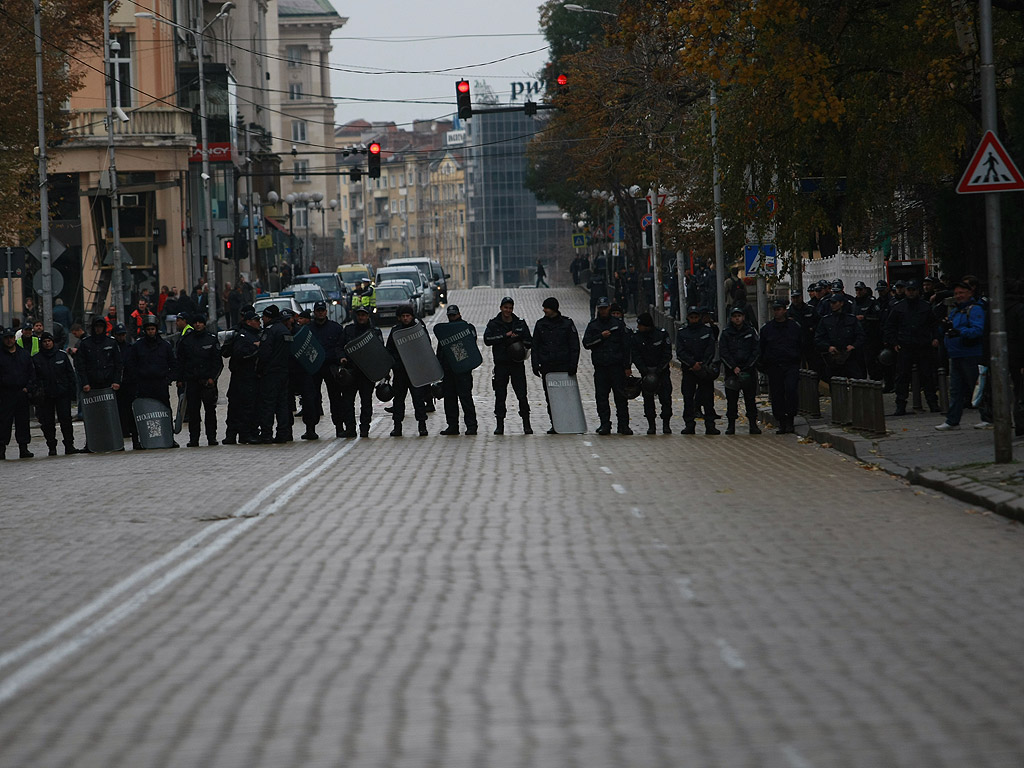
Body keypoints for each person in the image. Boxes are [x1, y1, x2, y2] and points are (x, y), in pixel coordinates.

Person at [884, 279, 941, 416]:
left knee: (927, 376)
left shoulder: (925, 307)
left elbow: (934, 324)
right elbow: (889, 326)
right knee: (902, 377)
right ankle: (900, 405)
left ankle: (932, 403)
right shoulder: (899, 307)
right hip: (906, 346)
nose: (911, 293)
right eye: (909, 290)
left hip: (923, 346)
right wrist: (894, 343)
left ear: (917, 291)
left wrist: (935, 338)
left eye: (913, 290)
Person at [935, 281, 986, 431]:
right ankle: (952, 420)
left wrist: (960, 332)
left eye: (961, 293)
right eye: (956, 293)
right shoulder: (956, 311)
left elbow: (978, 330)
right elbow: (949, 328)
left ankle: (987, 416)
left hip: (971, 354)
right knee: (955, 390)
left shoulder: (975, 309)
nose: (958, 296)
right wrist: (944, 328)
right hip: (956, 354)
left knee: (977, 388)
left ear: (969, 293)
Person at [483, 296, 533, 435]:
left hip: (517, 364)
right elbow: (487, 340)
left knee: (522, 395)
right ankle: (500, 425)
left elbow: (530, 341)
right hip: (501, 365)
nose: (508, 310)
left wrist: (518, 339)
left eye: (510, 308)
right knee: (500, 395)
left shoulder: (520, 323)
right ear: (501, 308)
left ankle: (526, 424)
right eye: (506, 307)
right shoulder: (494, 324)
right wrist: (505, 336)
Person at [531, 296, 581, 434]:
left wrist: (573, 365)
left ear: (553, 309)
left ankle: (570, 423)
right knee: (551, 398)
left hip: (564, 367)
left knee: (567, 396)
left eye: (546, 307)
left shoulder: (567, 323)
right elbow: (535, 346)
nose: (544, 310)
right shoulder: (540, 324)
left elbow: (574, 345)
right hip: (548, 367)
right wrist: (535, 364)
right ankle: (556, 424)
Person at [583, 297, 632, 435]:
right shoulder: (593, 326)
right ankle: (605, 424)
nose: (603, 311)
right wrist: (600, 337)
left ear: (609, 308)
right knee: (601, 398)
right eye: (601, 308)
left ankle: (624, 425)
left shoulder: (618, 324)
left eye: (605, 308)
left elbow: (626, 347)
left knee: (621, 397)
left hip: (617, 367)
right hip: (601, 368)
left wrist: (627, 366)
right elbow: (586, 343)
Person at [302, 300, 347, 439]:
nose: (320, 313)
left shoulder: (336, 328)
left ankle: (339, 427)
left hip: (331, 367)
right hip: (313, 368)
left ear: (326, 312)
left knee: (335, 399)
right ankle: (310, 429)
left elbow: (341, 347)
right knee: (310, 399)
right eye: (318, 311)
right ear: (314, 312)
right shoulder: (307, 329)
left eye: (322, 310)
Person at [176, 313, 222, 446]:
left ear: (204, 324)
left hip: (208, 382)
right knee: (193, 412)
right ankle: (194, 439)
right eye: (195, 322)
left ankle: (211, 438)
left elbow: (217, 362)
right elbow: (180, 362)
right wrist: (180, 379)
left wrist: (212, 378)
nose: (198, 325)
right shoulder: (186, 340)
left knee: (210, 412)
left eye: (200, 322)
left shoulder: (211, 339)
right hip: (192, 382)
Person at [385, 305, 430, 437]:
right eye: (403, 316)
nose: (406, 318)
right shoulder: (395, 331)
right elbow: (389, 350)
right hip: (400, 372)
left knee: (418, 400)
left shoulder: (418, 329)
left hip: (416, 371)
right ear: (399, 317)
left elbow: (425, 347)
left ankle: (422, 426)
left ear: (412, 316)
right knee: (398, 400)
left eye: (408, 316)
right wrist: (395, 364)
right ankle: (397, 427)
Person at [759, 298, 803, 433]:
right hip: (774, 366)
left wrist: (797, 360)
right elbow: (762, 348)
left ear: (785, 310)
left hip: (790, 365)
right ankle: (781, 421)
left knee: (791, 391)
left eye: (779, 309)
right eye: (775, 310)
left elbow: (801, 345)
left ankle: (790, 419)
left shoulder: (794, 327)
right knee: (777, 394)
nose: (777, 312)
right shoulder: (767, 329)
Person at [32, 331, 79, 455]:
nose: (47, 344)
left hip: (62, 394)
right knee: (47, 423)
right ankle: (52, 446)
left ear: (53, 342)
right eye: (45, 342)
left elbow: (70, 375)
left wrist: (71, 392)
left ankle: (69, 445)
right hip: (45, 396)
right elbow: (34, 378)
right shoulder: (36, 359)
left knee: (66, 421)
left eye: (49, 341)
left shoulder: (61, 356)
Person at [435, 304, 479, 435]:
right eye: (450, 315)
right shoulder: (445, 331)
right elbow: (441, 350)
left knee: (465, 398)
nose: (452, 317)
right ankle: (452, 425)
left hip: (462, 370)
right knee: (449, 399)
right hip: (448, 370)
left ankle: (471, 425)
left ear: (459, 314)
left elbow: (471, 344)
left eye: (454, 315)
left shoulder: (467, 328)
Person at [676, 306, 719, 435]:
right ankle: (689, 424)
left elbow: (711, 349)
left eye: (696, 317)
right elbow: (680, 352)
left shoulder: (706, 331)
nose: (694, 319)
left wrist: (702, 364)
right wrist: (692, 363)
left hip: (704, 370)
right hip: (689, 370)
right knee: (688, 398)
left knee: (707, 399)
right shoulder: (682, 332)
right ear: (688, 318)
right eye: (691, 317)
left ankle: (710, 424)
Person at [340, 305, 382, 438]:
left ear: (368, 316)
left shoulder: (374, 331)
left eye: (364, 315)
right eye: (359, 315)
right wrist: (341, 357)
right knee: (347, 402)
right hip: (350, 372)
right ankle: (350, 428)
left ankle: (364, 428)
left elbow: (381, 352)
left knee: (366, 402)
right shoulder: (348, 330)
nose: (361, 317)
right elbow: (340, 347)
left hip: (367, 373)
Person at [719, 307, 762, 435]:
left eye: (739, 315)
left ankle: (753, 425)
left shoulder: (750, 331)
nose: (737, 318)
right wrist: (733, 367)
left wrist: (748, 366)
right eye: (735, 316)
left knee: (750, 399)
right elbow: (723, 352)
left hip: (748, 371)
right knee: (732, 400)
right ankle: (731, 425)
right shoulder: (726, 333)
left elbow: (756, 350)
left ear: (743, 317)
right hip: (732, 373)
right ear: (731, 318)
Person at [255, 304, 294, 443]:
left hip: (271, 373)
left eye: (263, 317)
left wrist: (259, 370)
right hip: (284, 372)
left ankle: (266, 434)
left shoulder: (270, 331)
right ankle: (283, 433)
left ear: (268, 316)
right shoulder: (285, 331)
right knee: (282, 404)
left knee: (268, 404)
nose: (262, 320)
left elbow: (264, 354)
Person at [630, 312, 673, 434]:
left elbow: (667, 354)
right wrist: (644, 370)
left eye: (640, 325)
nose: (638, 327)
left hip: (662, 372)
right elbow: (635, 355)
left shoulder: (661, 335)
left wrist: (659, 370)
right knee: (648, 400)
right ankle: (651, 425)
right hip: (646, 371)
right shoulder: (637, 337)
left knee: (665, 399)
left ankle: (666, 424)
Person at [224, 310, 261, 445]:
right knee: (242, 407)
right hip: (242, 377)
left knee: (245, 407)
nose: (259, 323)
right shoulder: (243, 336)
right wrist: (255, 347)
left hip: (249, 377)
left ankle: (242, 434)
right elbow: (240, 353)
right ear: (248, 322)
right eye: (256, 320)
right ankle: (241, 435)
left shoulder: (254, 334)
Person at [0, 326, 36, 459]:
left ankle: (24, 448)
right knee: (4, 423)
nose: (9, 341)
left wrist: (28, 388)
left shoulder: (24, 354)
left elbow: (31, 373)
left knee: (23, 422)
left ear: (14, 339)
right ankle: (2, 448)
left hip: (21, 393)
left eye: (11, 338)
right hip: (6, 394)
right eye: (6, 338)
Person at [815, 292, 866, 380]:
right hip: (833, 358)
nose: (832, 305)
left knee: (856, 381)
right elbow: (818, 338)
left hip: (850, 357)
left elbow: (861, 336)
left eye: (834, 303)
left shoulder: (851, 319)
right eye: (831, 303)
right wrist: (828, 347)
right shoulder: (826, 320)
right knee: (835, 383)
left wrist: (853, 346)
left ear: (841, 303)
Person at [112, 323, 134, 442]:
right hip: (116, 384)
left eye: (123, 334)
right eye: (119, 335)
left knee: (129, 407)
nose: (121, 337)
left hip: (128, 382)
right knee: (119, 408)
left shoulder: (129, 348)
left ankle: (129, 428)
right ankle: (123, 429)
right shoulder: (112, 348)